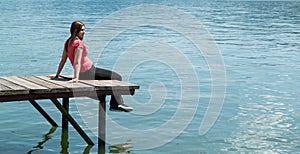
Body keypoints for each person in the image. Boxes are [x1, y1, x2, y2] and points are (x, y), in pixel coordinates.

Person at [51, 21, 133, 112]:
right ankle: (116, 104)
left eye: (84, 30)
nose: (84, 32)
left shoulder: (68, 42)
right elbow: (77, 62)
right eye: (82, 30)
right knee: (117, 77)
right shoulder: (78, 44)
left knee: (109, 83)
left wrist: (57, 75)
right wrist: (76, 78)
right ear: (75, 31)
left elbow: (63, 60)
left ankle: (115, 103)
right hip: (89, 71)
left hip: (85, 73)